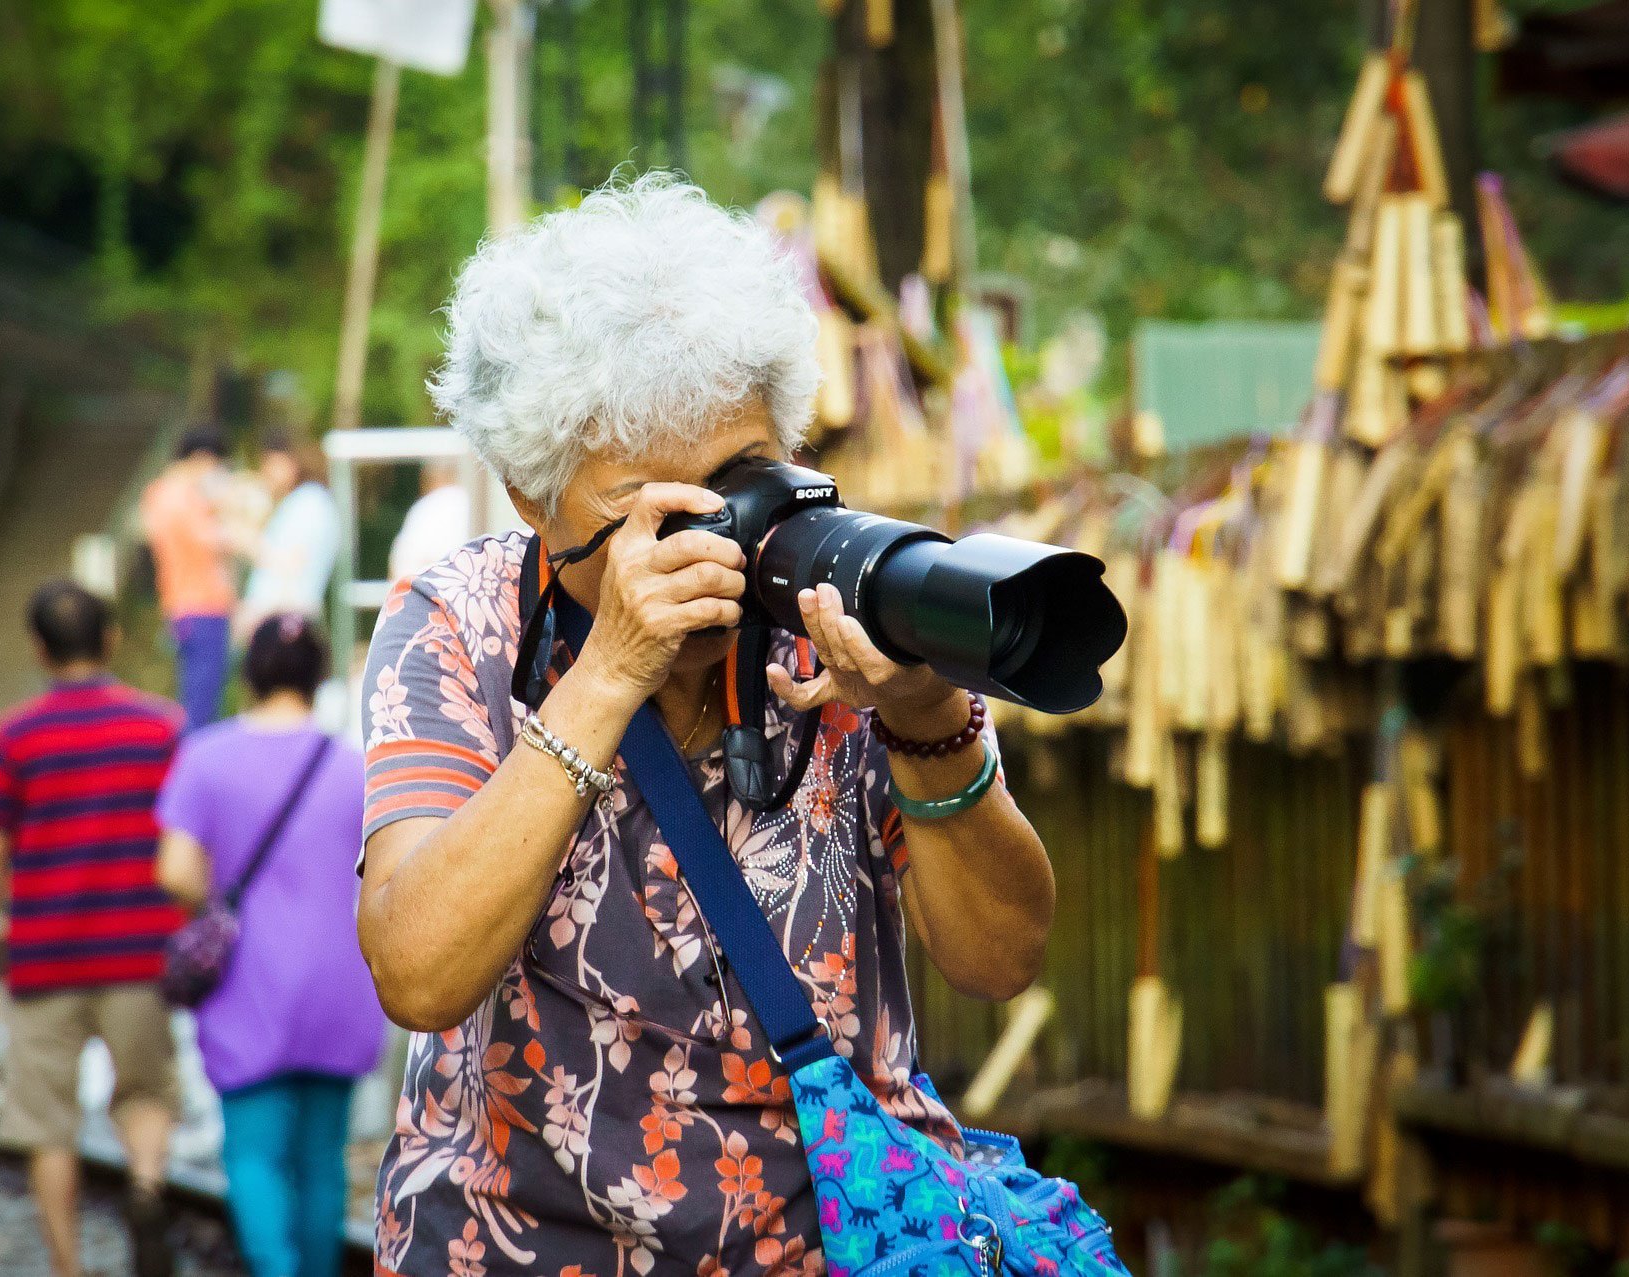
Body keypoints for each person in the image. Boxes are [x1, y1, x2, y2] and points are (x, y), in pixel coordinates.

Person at [356, 175, 1056, 1276]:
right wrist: (607, 674)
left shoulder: (833, 603)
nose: (712, 541)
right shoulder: (466, 625)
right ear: (533, 494)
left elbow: (1001, 957)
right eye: (650, 506)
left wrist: (928, 718)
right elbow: (416, 970)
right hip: (519, 1247)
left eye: (735, 481)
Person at [0, 580, 187, 1277]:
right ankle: (145, 1185)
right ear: (110, 638)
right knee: (145, 1092)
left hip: (45, 956)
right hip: (140, 950)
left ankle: (67, 1264)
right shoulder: (163, 727)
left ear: (37, 648)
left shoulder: (13, 737)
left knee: (47, 1120)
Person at [155, 614, 384, 1277]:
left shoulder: (206, 756)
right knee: (321, 1160)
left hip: (249, 986)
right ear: (317, 677)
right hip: (343, 987)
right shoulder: (355, 767)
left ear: (247, 674)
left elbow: (173, 869)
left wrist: (217, 897)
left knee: (254, 1155)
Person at [142, 426, 236, 731]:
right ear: (201, 458)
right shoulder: (180, 497)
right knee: (201, 709)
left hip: (184, 606)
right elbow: (214, 540)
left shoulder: (159, 494)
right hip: (201, 607)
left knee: (197, 702)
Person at [237, 434, 342, 641]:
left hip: (286, 621)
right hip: (284, 619)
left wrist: (247, 541)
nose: (266, 472)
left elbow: (292, 564)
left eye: (270, 463)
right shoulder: (306, 501)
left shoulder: (309, 501)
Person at [385, 459, 469, 583]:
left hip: (432, 593)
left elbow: (401, 568)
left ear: (429, 478)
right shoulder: (470, 503)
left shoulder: (426, 508)